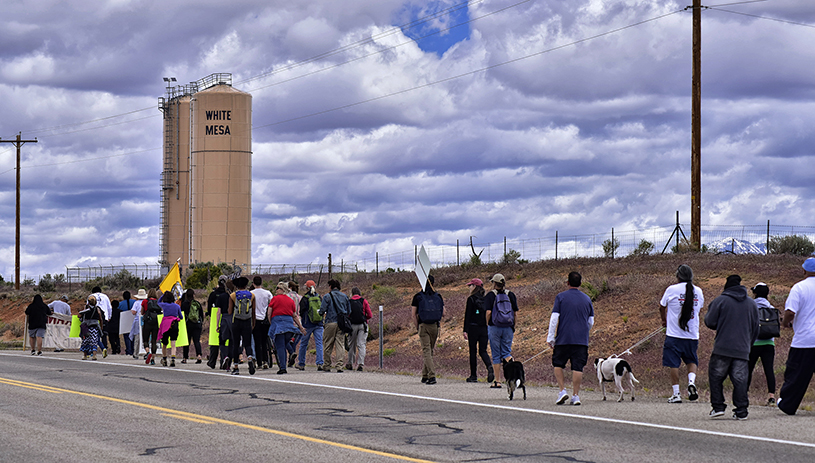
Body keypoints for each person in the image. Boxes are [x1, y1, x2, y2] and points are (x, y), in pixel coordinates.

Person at [704, 275, 759, 420]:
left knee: (716, 376)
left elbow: (709, 321)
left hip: (723, 347)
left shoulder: (720, 301)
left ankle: (718, 407)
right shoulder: (751, 304)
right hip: (742, 348)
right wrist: (748, 344)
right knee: (740, 380)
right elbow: (756, 328)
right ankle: (741, 410)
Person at [547, 271, 594, 405]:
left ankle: (562, 390)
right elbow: (591, 321)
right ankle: (576, 395)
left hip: (563, 338)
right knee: (578, 367)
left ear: (568, 283)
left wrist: (551, 337)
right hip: (581, 340)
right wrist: (584, 331)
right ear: (580, 283)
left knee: (558, 364)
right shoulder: (587, 299)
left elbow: (554, 318)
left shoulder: (560, 297)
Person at [659, 264, 704, 403]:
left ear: (678, 276)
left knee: (674, 364)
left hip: (674, 335)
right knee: (691, 360)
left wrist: (664, 321)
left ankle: (676, 393)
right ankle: (691, 382)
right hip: (692, 335)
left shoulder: (671, 289)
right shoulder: (698, 291)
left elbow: (661, 306)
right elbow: (699, 309)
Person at [777, 257, 815, 415]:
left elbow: (791, 311)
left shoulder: (799, 288)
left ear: (804, 270)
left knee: (795, 374)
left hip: (804, 340)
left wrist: (785, 323)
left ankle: (788, 403)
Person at [484, 273, 520, 389]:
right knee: (506, 352)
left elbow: (488, 312)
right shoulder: (511, 295)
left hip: (494, 326)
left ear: (494, 283)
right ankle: (513, 376)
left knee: (496, 354)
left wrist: (488, 324)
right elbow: (515, 313)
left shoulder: (490, 295)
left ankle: (498, 381)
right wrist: (513, 326)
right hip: (508, 327)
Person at [747, 282, 778, 406]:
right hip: (769, 343)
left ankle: (744, 394)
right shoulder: (771, 307)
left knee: (748, 369)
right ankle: (771, 397)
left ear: (755, 293)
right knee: (769, 369)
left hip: (754, 343)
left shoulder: (750, 307)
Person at [411, 275, 444, 385]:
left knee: (426, 351)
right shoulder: (438, 296)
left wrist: (418, 327)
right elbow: (444, 313)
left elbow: (413, 315)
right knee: (430, 351)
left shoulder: (418, 297)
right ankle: (424, 375)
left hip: (423, 325)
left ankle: (432, 375)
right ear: (433, 283)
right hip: (435, 326)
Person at [268, 282, 307, 374]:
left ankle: (282, 367)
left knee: (280, 346)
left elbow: (269, 312)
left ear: (282, 289)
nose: (276, 290)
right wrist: (301, 327)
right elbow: (294, 315)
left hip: (278, 324)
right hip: (289, 325)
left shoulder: (274, 299)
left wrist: (271, 323)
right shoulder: (290, 301)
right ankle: (290, 354)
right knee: (285, 343)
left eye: (277, 288)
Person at [463, 278, 492, 383]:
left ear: (475, 287)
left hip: (473, 327)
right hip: (484, 328)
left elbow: (468, 315)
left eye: (470, 286)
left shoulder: (471, 299)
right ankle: (489, 366)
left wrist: (465, 330)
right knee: (483, 350)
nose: (469, 288)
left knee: (473, 351)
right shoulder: (485, 299)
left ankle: (473, 375)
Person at [320, 279, 351, 373]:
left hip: (330, 322)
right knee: (340, 345)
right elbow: (349, 311)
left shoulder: (327, 296)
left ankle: (327, 365)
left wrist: (321, 314)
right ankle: (339, 366)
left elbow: (322, 310)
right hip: (341, 323)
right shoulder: (344, 296)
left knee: (327, 344)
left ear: (330, 286)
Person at [228, 276, 256, 375]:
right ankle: (249, 358)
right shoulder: (251, 295)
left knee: (236, 344)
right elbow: (253, 311)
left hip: (236, 321)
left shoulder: (233, 295)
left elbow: (230, 311)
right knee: (247, 342)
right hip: (247, 321)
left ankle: (235, 367)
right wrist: (253, 323)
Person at [296, 280, 324, 371]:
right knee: (319, 343)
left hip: (308, 324)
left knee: (304, 344)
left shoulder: (305, 298)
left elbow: (301, 312)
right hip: (319, 323)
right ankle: (320, 363)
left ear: (307, 288)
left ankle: (301, 363)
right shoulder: (319, 297)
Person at [345, 287, 372, 371]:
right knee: (361, 344)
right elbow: (370, 315)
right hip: (362, 325)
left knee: (351, 344)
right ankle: (360, 363)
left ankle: (350, 363)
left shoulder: (349, 302)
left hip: (352, 325)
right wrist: (364, 318)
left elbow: (347, 314)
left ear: (352, 293)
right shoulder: (364, 301)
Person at [205, 276, 229, 369]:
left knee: (214, 342)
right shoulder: (227, 295)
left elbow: (209, 307)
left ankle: (212, 362)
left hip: (215, 317)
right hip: (227, 317)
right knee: (225, 341)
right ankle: (224, 360)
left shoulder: (213, 294)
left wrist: (211, 316)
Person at [251, 276, 272, 369]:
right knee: (264, 342)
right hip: (265, 319)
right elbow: (272, 304)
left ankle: (259, 362)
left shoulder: (251, 293)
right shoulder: (267, 293)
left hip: (255, 320)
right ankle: (265, 360)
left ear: (253, 283)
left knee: (257, 342)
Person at [157, 291, 183, 367]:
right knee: (173, 343)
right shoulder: (177, 306)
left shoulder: (164, 305)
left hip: (165, 325)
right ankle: (173, 359)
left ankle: (164, 359)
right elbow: (181, 316)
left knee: (164, 343)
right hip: (174, 324)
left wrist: (162, 295)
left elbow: (158, 302)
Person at [180, 289, 204, 364]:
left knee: (187, 342)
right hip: (197, 324)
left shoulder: (184, 304)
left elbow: (182, 315)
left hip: (188, 324)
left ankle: (185, 358)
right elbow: (201, 315)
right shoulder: (197, 303)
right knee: (197, 341)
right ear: (193, 295)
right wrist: (200, 322)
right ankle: (199, 356)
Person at [79, 295, 105, 360]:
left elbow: (79, 315)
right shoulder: (97, 309)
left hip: (86, 327)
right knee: (94, 341)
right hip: (94, 327)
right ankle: (94, 355)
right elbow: (100, 318)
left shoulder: (86, 308)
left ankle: (85, 355)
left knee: (86, 341)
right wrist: (101, 327)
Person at [140, 288, 161, 365]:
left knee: (145, 339)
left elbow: (142, 312)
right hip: (156, 322)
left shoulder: (145, 301)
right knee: (154, 341)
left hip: (147, 322)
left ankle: (148, 352)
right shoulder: (158, 302)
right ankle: (153, 359)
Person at [90, 286, 112, 357]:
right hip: (104, 317)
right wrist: (109, 317)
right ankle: (104, 348)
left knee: (92, 335)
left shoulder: (91, 296)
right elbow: (109, 307)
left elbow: (87, 307)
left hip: (93, 319)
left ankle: (91, 351)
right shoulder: (105, 296)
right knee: (104, 334)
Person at [118, 291, 137, 357]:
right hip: (133, 321)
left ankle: (129, 350)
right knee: (134, 336)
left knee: (126, 336)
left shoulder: (120, 304)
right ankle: (133, 349)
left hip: (125, 322)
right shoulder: (134, 302)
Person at [130, 289, 148, 359]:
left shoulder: (136, 303)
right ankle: (145, 352)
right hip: (145, 320)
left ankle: (136, 353)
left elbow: (133, 312)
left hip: (138, 321)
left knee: (137, 337)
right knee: (145, 337)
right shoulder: (146, 302)